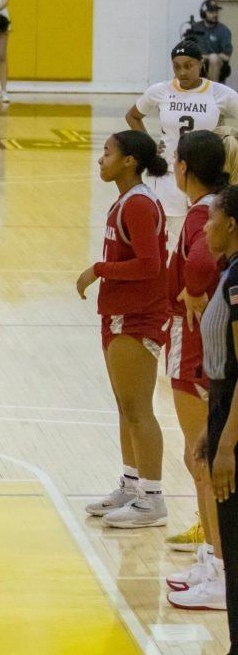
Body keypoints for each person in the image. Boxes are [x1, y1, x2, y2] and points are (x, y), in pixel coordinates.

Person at [160, 130, 238, 613]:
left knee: (201, 459)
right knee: (199, 460)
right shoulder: (209, 209)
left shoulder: (200, 214)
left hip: (194, 349)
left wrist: (193, 291)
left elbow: (200, 261)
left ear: (184, 167)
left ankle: (219, 567)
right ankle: (212, 560)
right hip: (194, 346)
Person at [78, 130, 170, 529]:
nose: (101, 159)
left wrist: (99, 270)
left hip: (138, 316)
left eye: (107, 152)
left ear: (130, 160)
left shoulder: (138, 205)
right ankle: (131, 485)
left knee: (139, 408)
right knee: (125, 405)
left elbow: (150, 266)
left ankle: (152, 497)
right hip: (118, 314)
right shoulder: (127, 201)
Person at [126, 40, 238, 225]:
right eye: (176, 67)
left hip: (205, 177)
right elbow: (132, 116)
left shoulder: (220, 93)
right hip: (169, 175)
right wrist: (151, 148)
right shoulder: (161, 91)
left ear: (201, 64)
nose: (182, 72)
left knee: (204, 231)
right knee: (170, 236)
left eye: (188, 66)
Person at [193, 184, 238, 646]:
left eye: (214, 218)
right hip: (225, 410)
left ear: (233, 225)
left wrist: (226, 443)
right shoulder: (230, 272)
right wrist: (213, 427)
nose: (206, 226)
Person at [188, 0, 233, 84]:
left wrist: (208, 56)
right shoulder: (196, 28)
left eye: (216, 12)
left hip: (216, 64)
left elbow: (226, 57)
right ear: (204, 13)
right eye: (211, 12)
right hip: (199, 62)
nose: (215, 14)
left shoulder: (223, 30)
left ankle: (212, 91)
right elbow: (188, 50)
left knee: (213, 58)